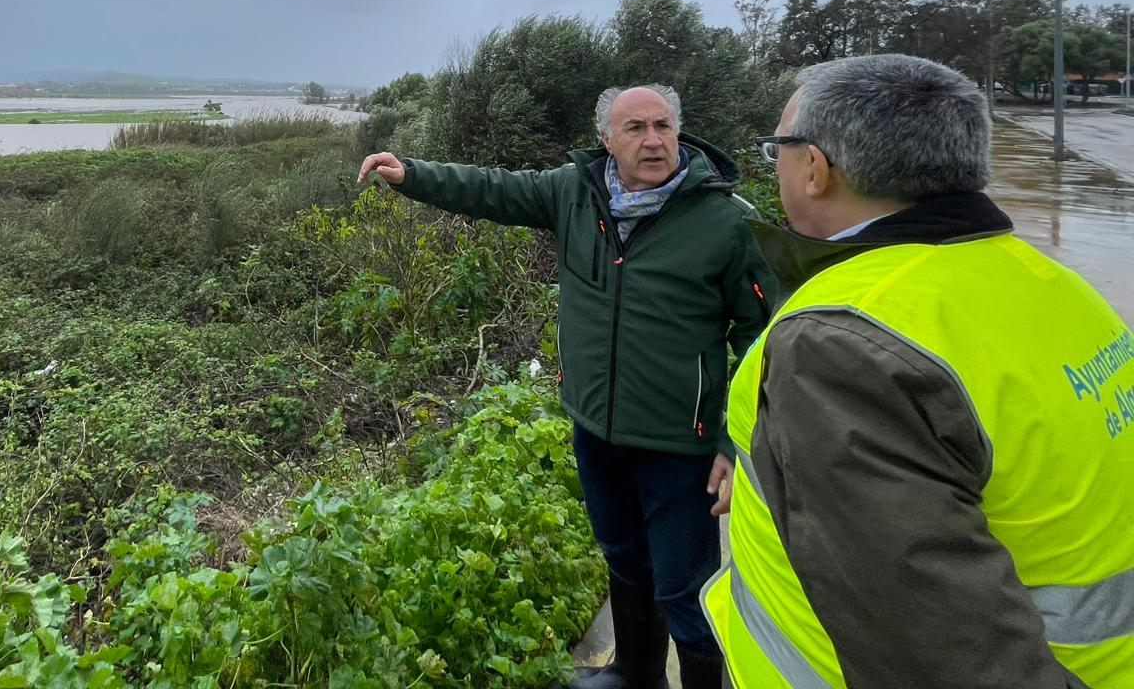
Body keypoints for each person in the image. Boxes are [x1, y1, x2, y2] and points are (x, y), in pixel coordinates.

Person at [703, 54, 1134, 688]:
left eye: (780, 150)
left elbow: (943, 653)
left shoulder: (843, 341)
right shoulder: (1053, 286)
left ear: (815, 168)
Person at [360, 85, 774, 689]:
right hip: (596, 424)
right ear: (606, 140)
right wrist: (413, 175)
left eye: (663, 125)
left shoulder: (726, 221)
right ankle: (635, 675)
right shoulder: (574, 192)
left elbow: (764, 337)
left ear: (678, 132)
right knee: (623, 555)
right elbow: (495, 190)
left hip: (680, 443)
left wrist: (735, 441)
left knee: (685, 584)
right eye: (635, 128)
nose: (653, 140)